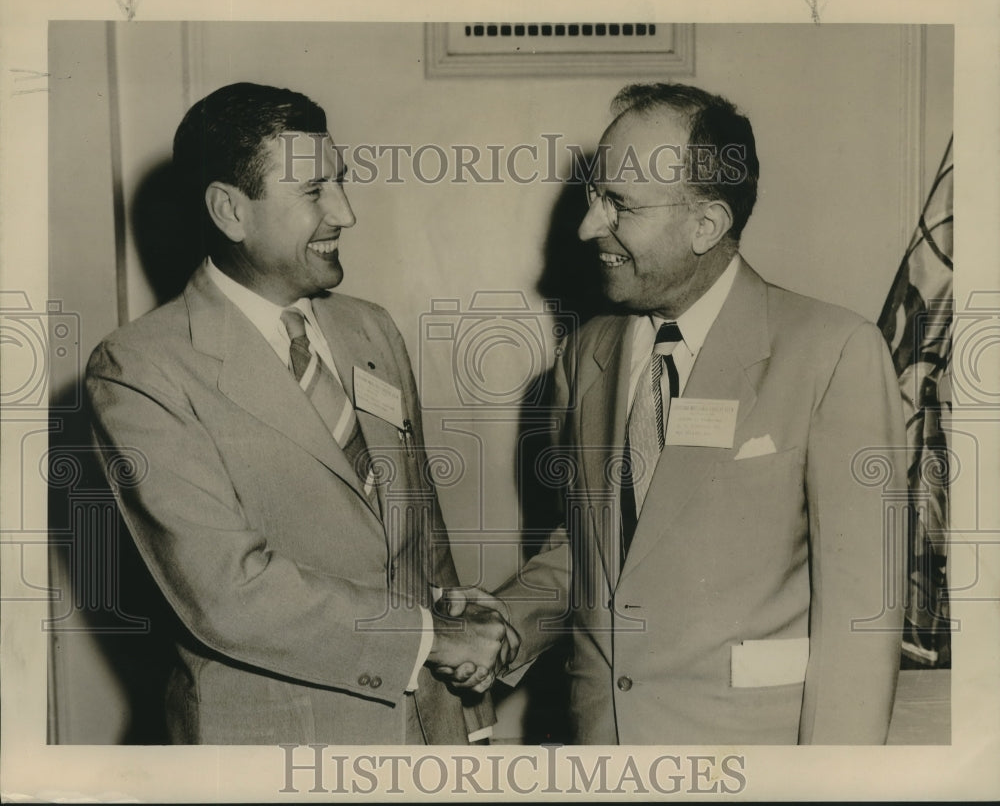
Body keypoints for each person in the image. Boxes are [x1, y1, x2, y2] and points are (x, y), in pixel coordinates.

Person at [445, 82, 906, 744]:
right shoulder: (587, 354)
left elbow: (863, 620)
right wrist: (505, 623)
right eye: (594, 196)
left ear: (706, 225)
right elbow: (593, 551)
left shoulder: (833, 354)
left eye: (619, 205)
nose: (587, 226)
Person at [86, 82, 515, 745]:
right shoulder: (140, 368)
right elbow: (226, 592)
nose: (344, 213)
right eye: (314, 192)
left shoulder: (371, 332)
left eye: (340, 183)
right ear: (230, 210)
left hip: (426, 731)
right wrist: (429, 638)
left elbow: (422, 540)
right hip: (276, 748)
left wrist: (468, 707)